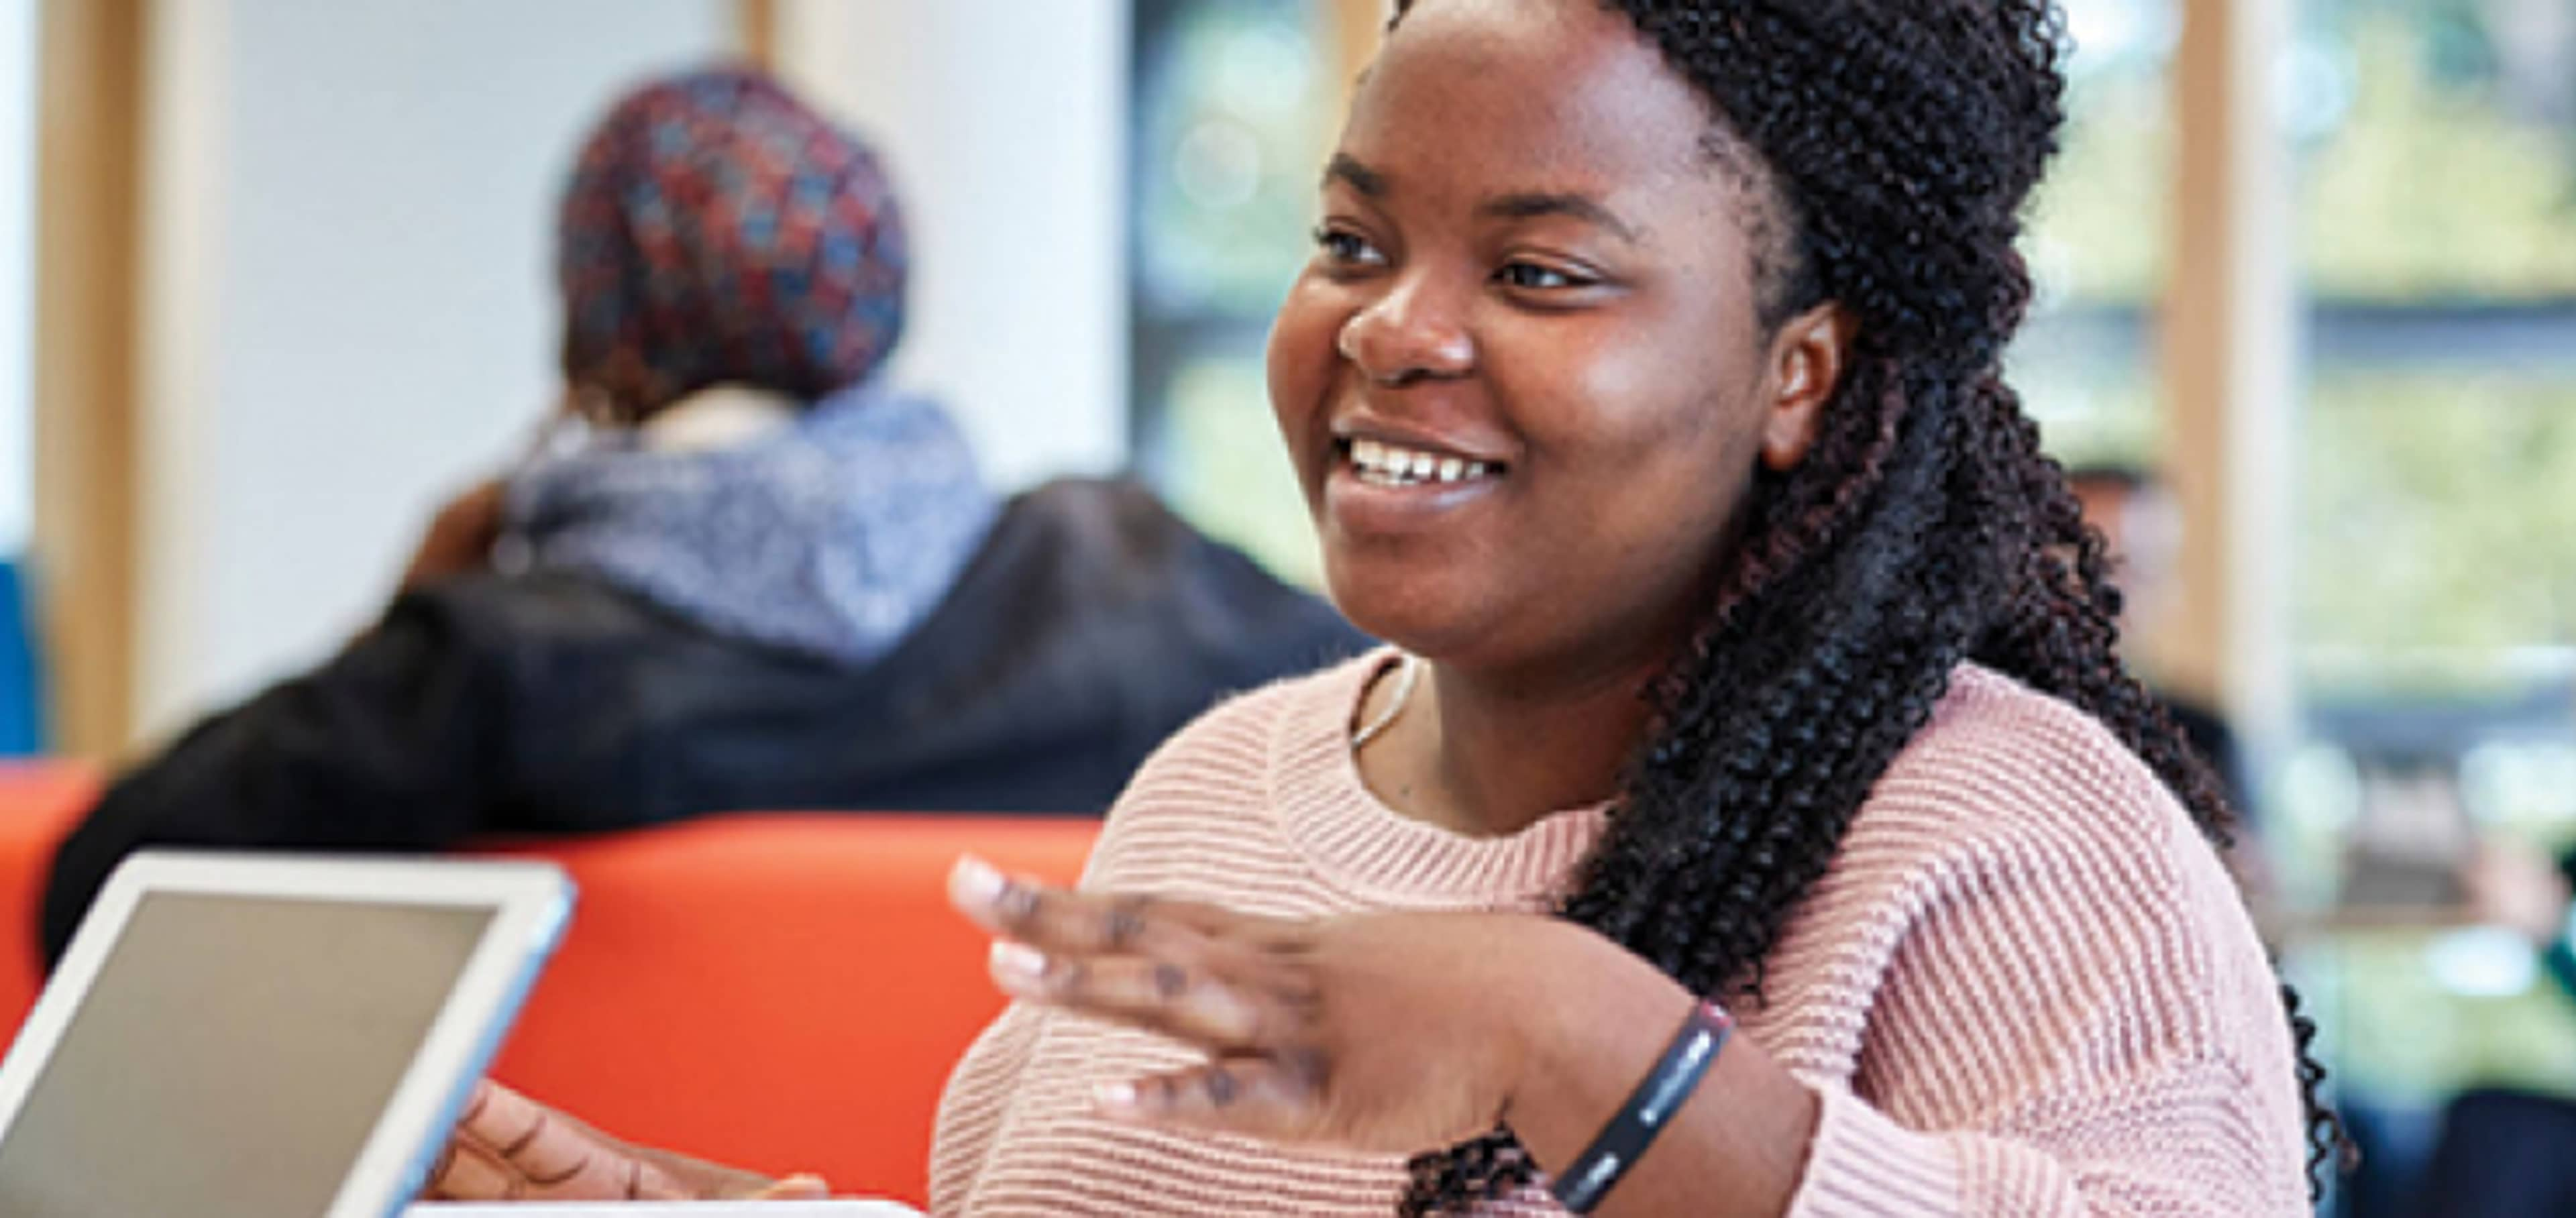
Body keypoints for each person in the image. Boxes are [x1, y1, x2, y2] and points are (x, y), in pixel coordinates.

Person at [431, 3, 2343, 1213]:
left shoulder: (2012, 845)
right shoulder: (1216, 784)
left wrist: (1594, 1053)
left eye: (1539, 270)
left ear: (1803, 376)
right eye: (1352, 241)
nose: (1394, 330)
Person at [40, 67, 1364, 964]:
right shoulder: (1140, 571)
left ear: (598, 339)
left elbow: (101, 890)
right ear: (874, 301)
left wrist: (410, 618)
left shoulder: (499, 659)